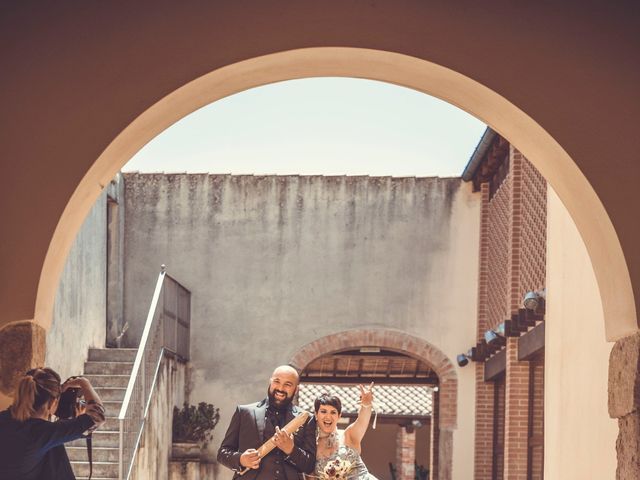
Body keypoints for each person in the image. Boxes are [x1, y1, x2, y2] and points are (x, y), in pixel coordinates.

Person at [0, 367, 105, 480]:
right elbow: (97, 417)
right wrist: (84, 383)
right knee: (54, 446)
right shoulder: (43, 433)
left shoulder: (3, 418)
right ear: (52, 403)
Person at [217, 365, 316, 479]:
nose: (280, 388)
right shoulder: (244, 412)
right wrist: (241, 459)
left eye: (287, 384)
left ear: (296, 389)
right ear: (270, 382)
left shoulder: (306, 419)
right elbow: (222, 453)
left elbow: (310, 465)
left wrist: (291, 450)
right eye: (277, 381)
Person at [312, 384, 379, 480]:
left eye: (333, 412)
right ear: (316, 414)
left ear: (339, 416)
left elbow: (362, 421)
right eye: (323, 411)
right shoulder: (311, 445)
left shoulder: (348, 435)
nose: (328, 416)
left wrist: (366, 404)